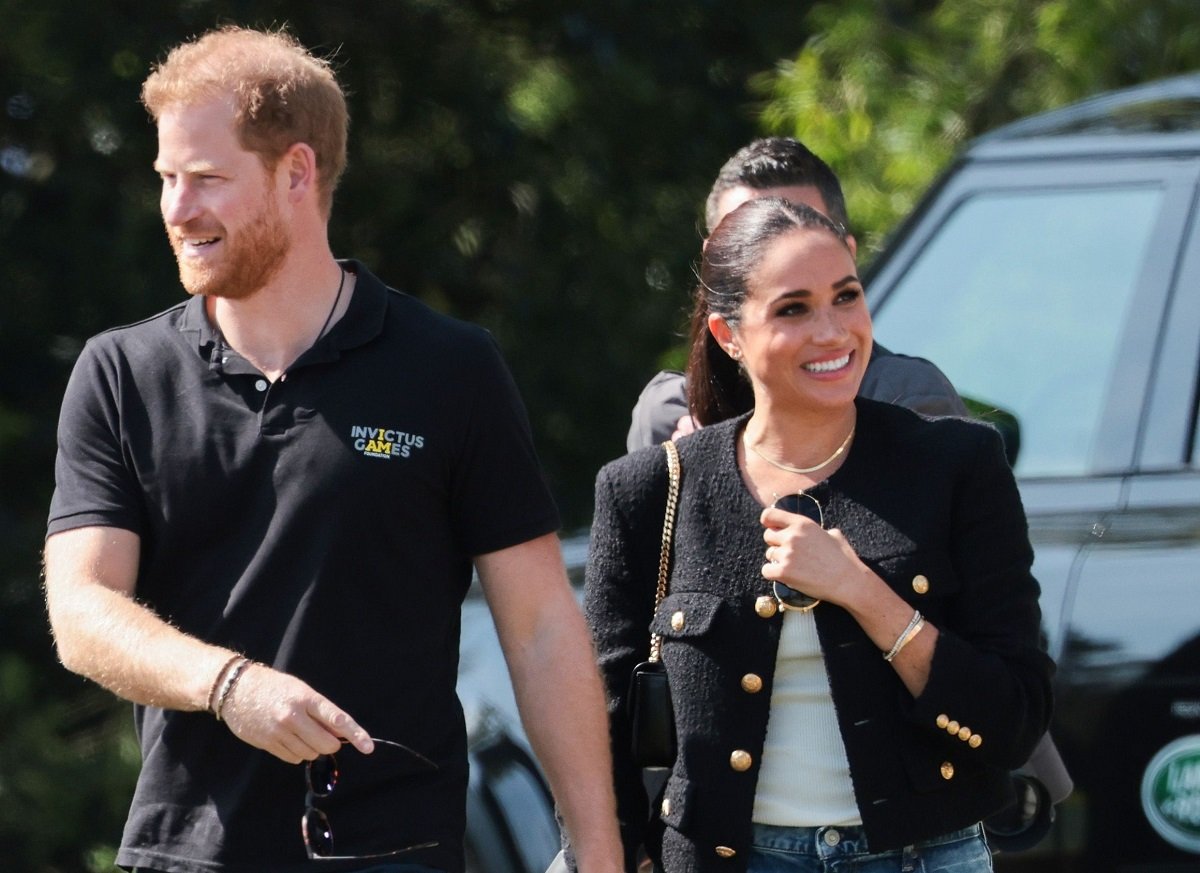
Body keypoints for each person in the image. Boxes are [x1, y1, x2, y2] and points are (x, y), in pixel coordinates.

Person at [42, 26, 622, 873]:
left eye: (206, 178)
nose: (176, 208)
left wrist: (600, 852)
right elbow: (83, 611)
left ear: (297, 173)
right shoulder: (122, 373)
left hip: (397, 847)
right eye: (167, 178)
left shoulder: (449, 369)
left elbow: (539, 628)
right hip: (186, 851)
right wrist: (229, 685)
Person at [582, 197, 1054, 871]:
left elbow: (1015, 718)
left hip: (927, 855)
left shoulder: (959, 465)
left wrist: (863, 592)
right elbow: (601, 731)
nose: (832, 331)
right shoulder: (647, 491)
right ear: (728, 333)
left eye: (846, 296)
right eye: (794, 308)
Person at [625, 138, 967, 453]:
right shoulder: (669, 418)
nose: (784, 249)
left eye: (806, 228)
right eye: (746, 239)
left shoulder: (904, 399)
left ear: (847, 253)